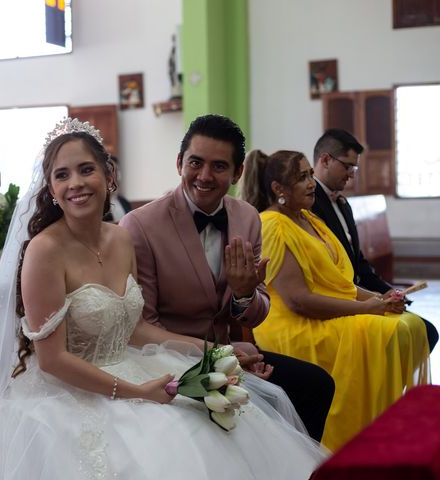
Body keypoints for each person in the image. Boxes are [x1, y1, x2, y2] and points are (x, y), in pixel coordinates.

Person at [0, 118, 326, 480]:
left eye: (86, 169)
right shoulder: (44, 251)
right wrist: (136, 392)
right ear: (51, 187)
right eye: (62, 175)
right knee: (173, 443)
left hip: (132, 364)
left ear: (108, 176)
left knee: (222, 427)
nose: (75, 183)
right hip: (69, 391)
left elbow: (136, 330)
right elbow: (52, 359)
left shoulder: (120, 239)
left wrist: (214, 352)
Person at [120, 114, 334, 443]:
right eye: (195, 162)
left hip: (231, 353)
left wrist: (244, 294)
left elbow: (258, 310)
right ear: (179, 163)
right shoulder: (141, 226)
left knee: (316, 385)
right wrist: (224, 356)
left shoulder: (246, 217)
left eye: (219, 166)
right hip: (166, 361)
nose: (204, 176)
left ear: (237, 172)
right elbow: (144, 331)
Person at [240, 148, 430, 451]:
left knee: (408, 324)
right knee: (388, 330)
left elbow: (340, 285)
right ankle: (350, 437)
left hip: (325, 311)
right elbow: (298, 301)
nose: (311, 183)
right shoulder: (273, 225)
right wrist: (365, 309)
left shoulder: (310, 219)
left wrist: (381, 298)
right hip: (293, 324)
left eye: (310, 174)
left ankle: (379, 423)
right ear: (279, 189)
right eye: (301, 177)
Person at [311, 128, 438, 351]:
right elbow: (324, 271)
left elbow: (358, 261)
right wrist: (371, 298)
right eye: (348, 166)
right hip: (340, 300)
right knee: (419, 332)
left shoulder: (342, 203)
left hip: (361, 293)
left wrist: (387, 290)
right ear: (325, 160)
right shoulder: (310, 205)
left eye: (355, 167)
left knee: (424, 331)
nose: (352, 174)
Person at [102, 155, 132, 223]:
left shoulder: (124, 202)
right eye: (110, 170)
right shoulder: (99, 204)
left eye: (117, 170)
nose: (114, 174)